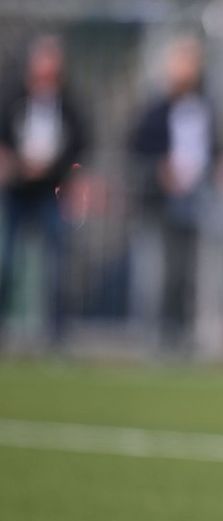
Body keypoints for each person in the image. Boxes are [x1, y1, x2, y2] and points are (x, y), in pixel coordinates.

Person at [129, 36, 216, 348]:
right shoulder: (155, 110)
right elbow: (138, 147)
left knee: (186, 270)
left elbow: (214, 149)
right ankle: (154, 332)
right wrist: (160, 169)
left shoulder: (205, 108)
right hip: (160, 201)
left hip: (194, 199)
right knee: (156, 269)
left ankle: (180, 332)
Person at [0, 34, 86, 344]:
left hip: (53, 190)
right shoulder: (12, 97)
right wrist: (14, 162)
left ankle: (56, 334)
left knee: (57, 263)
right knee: (8, 259)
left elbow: (80, 144)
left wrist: (59, 169)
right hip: (18, 190)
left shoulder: (70, 104)